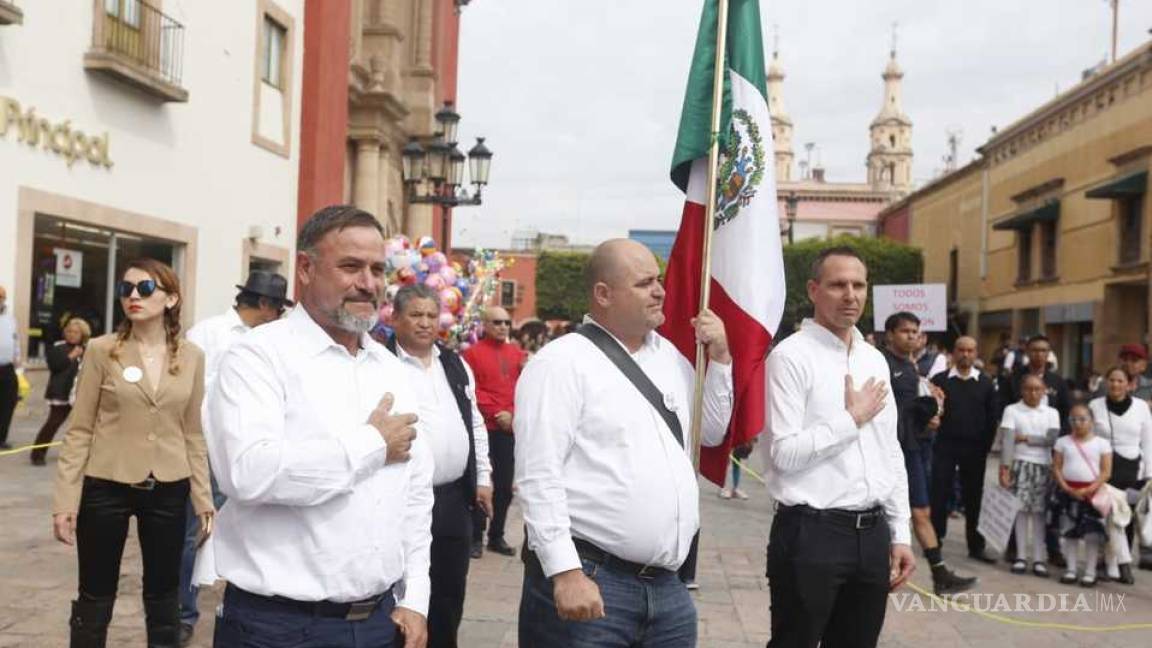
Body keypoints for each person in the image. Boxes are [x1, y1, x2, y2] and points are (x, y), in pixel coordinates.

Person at [196, 205, 432, 648]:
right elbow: (249, 473)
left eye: (378, 269)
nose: (368, 283)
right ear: (305, 268)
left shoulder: (389, 367)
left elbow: (415, 494)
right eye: (350, 267)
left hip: (381, 622)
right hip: (279, 627)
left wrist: (416, 594)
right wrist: (371, 445)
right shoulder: (258, 356)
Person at [514, 239, 733, 647]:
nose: (660, 291)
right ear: (603, 294)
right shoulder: (561, 363)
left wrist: (720, 359)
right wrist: (565, 573)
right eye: (644, 283)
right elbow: (538, 476)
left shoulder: (670, 358)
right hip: (593, 580)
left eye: (659, 280)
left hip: (668, 590)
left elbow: (711, 432)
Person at [51, 258, 212, 647]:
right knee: (95, 593)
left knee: (163, 594)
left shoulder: (191, 356)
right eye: (126, 289)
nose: (133, 297)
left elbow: (192, 431)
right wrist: (65, 499)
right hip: (106, 483)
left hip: (169, 486)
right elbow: (80, 430)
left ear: (171, 298)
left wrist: (203, 498)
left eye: (144, 289)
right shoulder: (101, 350)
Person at [763, 247, 915, 648]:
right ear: (814, 290)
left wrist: (900, 533)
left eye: (858, 285)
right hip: (811, 533)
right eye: (837, 285)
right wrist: (851, 420)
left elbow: (890, 452)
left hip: (872, 534)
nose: (850, 294)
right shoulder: (790, 357)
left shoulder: (875, 359)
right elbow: (782, 453)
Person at [175, 270, 292, 645]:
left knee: (246, 526)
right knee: (195, 531)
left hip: (255, 452)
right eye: (278, 309)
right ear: (264, 305)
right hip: (207, 450)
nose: (279, 317)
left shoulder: (274, 341)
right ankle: (182, 611)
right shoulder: (208, 334)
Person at [387, 284, 494, 648]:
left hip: (452, 499)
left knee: (448, 592)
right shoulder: (380, 363)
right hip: (399, 497)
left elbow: (474, 421)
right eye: (415, 315)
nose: (424, 323)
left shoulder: (454, 362)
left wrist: (484, 477)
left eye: (431, 316)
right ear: (395, 318)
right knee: (400, 590)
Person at [881, 312, 975, 595]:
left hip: (914, 448)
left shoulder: (910, 367)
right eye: (905, 331)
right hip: (891, 450)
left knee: (920, 509)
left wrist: (929, 414)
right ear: (890, 335)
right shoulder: (881, 363)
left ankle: (939, 573)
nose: (911, 336)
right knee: (909, 511)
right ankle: (934, 573)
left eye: (915, 331)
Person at [462, 306, 525, 558]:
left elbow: (524, 389)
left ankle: (496, 535)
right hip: (484, 427)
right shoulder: (471, 354)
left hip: (507, 429)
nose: (502, 327)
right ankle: (476, 536)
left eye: (506, 323)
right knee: (480, 482)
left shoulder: (516, 353)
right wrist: (497, 412)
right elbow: (470, 389)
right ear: (485, 325)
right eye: (497, 322)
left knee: (504, 487)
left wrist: (511, 414)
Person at [929, 336, 1000, 564]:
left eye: (970, 350)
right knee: (939, 494)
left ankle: (976, 545)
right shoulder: (940, 381)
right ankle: (935, 541)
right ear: (953, 352)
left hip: (975, 450)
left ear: (976, 352)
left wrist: (985, 448)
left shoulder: (986, 383)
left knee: (974, 497)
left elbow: (992, 420)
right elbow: (932, 413)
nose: (966, 355)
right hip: (945, 447)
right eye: (961, 350)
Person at [1089, 366, 1152, 583]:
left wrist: (1149, 475)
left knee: (1125, 518)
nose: (1115, 385)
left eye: (1120, 381)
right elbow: (1089, 438)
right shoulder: (1095, 406)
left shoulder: (1141, 407)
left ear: (1129, 384)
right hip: (1105, 469)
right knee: (1109, 516)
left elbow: (1148, 440)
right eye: (1112, 380)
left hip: (1134, 469)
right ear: (1106, 382)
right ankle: (1115, 565)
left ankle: (1115, 563)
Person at [999, 374, 1060, 578]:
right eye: (1028, 389)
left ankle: (1039, 558)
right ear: (1022, 390)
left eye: (1037, 389)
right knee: (1021, 512)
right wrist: (1005, 468)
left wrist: (1025, 437)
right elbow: (1008, 439)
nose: (1033, 393)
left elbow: (1051, 439)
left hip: (1044, 466)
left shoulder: (1051, 413)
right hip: (1020, 464)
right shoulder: (1012, 410)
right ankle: (1021, 556)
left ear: (1044, 391)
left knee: (1040, 514)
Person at [1052, 403, 1112, 587]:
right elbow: (1056, 467)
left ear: (1092, 421)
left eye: (1083, 419)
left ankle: (1090, 571)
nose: (1078, 423)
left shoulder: (1102, 443)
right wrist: (1066, 487)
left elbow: (1106, 471)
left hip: (1092, 494)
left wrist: (1089, 489)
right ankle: (1070, 569)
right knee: (1069, 532)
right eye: (1073, 419)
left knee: (1091, 535)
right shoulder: (1063, 442)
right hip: (1068, 492)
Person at [30, 317, 91, 465]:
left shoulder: (88, 349)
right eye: (69, 331)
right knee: (53, 424)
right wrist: (71, 356)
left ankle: (81, 455)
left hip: (79, 393)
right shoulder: (58, 347)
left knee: (82, 427)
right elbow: (55, 366)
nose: (72, 334)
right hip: (61, 392)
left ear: (83, 334)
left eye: (76, 332)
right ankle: (37, 454)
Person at [0, 284, 20, 450]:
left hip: (7, 367)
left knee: (9, 401)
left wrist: (17, 357)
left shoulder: (10, 319)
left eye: (1, 298)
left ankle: (1, 438)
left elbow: (15, 340)